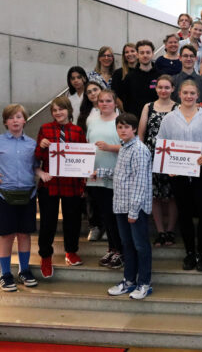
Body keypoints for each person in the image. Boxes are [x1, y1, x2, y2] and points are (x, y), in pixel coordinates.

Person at [0, 104, 48, 291]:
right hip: (4, 195)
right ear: (5, 122)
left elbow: (34, 167)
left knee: (24, 234)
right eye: (11, 118)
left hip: (28, 194)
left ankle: (24, 270)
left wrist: (42, 174)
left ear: (24, 120)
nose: (15, 120)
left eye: (18, 117)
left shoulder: (32, 144)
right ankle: (5, 273)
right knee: (7, 235)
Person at [157, 81, 202, 271]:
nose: (188, 96)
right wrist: (166, 166)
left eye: (192, 93)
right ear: (179, 94)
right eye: (185, 92)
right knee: (184, 214)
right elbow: (162, 144)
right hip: (178, 174)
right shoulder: (169, 118)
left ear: (197, 95)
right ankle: (189, 253)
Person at [34, 97, 87, 278]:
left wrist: (83, 185)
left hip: (71, 182)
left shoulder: (78, 131)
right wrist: (41, 146)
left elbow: (83, 160)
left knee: (72, 220)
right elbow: (37, 157)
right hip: (50, 183)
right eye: (55, 110)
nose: (58, 113)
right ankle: (46, 256)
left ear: (69, 110)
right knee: (48, 222)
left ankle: (71, 252)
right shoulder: (45, 129)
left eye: (61, 109)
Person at [107, 113, 153, 300]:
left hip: (135, 209)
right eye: (120, 127)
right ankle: (129, 281)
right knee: (128, 246)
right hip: (121, 206)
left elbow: (140, 183)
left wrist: (133, 211)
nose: (123, 130)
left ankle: (144, 283)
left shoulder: (139, 150)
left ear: (134, 129)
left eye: (126, 127)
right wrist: (99, 172)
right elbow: (122, 174)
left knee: (141, 246)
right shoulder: (125, 148)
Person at [138, 75, 178, 247]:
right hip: (151, 155)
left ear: (173, 89)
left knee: (172, 196)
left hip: (171, 157)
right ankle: (160, 231)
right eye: (160, 87)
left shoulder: (178, 107)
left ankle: (170, 231)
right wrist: (141, 155)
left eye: (167, 87)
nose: (163, 90)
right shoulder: (148, 106)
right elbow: (141, 133)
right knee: (154, 195)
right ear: (156, 88)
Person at [87, 89, 124, 270]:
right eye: (101, 101)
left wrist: (110, 147)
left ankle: (121, 251)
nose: (104, 104)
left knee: (117, 216)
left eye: (108, 101)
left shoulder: (121, 121)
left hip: (117, 176)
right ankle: (112, 248)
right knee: (106, 216)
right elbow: (87, 147)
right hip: (96, 176)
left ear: (115, 102)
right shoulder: (92, 122)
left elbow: (130, 146)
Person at [119, 40, 160, 118]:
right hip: (135, 119)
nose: (145, 55)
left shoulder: (160, 76)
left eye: (148, 52)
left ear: (153, 54)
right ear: (137, 55)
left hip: (155, 119)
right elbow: (126, 102)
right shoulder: (129, 77)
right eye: (142, 53)